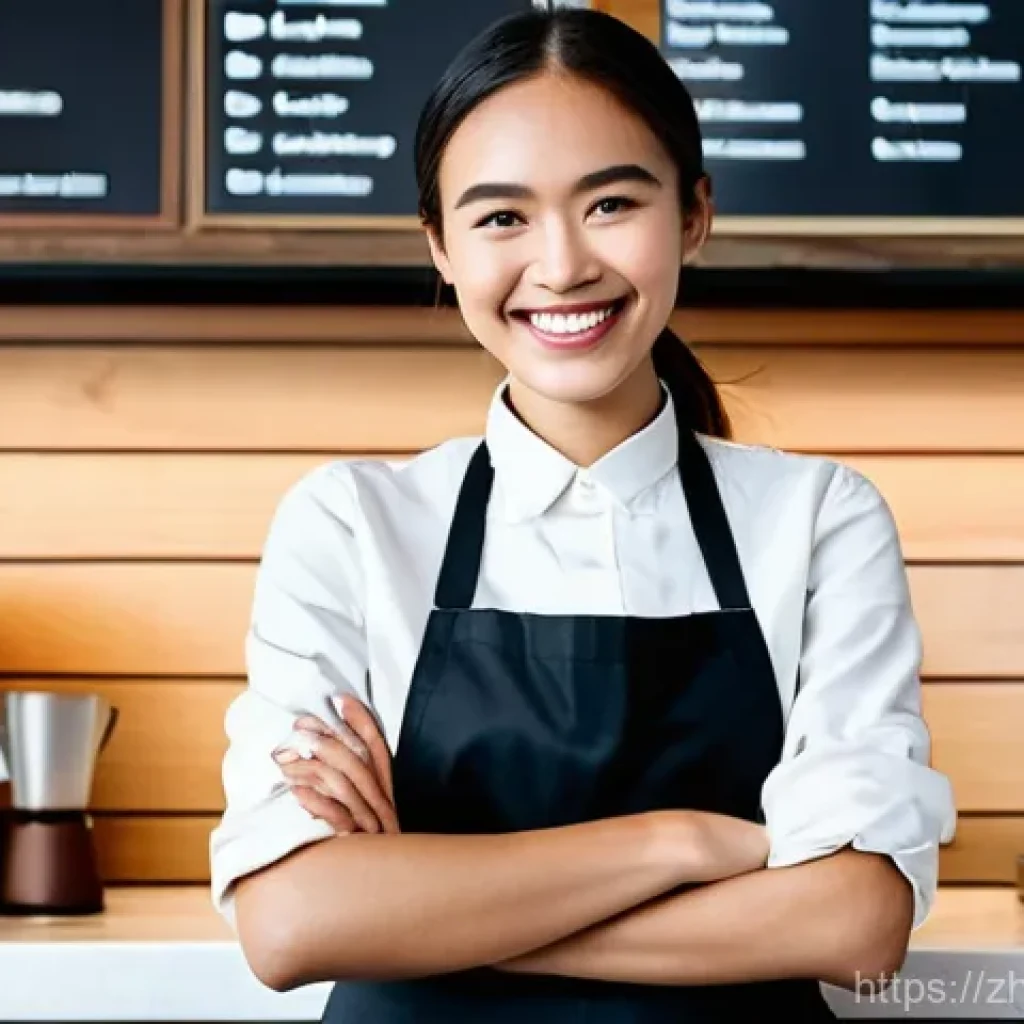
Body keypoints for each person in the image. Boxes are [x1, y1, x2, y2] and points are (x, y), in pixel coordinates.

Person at [209, 8, 956, 1021]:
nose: (560, 266)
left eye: (610, 203)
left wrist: (422, 911)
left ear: (693, 212)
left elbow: (854, 925)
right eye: (500, 217)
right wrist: (684, 843)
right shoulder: (348, 524)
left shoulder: (820, 519)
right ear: (439, 245)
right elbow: (293, 925)